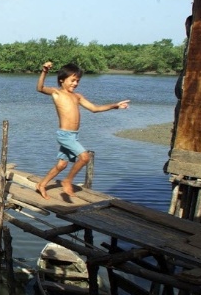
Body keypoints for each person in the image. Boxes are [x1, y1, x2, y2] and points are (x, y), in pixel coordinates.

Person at [35, 61, 130, 199]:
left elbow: (94, 109)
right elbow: (40, 88)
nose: (75, 83)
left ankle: (41, 185)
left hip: (73, 136)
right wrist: (44, 71)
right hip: (64, 135)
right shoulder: (57, 93)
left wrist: (114, 105)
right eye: (72, 80)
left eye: (77, 81)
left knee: (61, 165)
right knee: (85, 157)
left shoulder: (77, 96)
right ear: (62, 80)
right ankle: (67, 181)